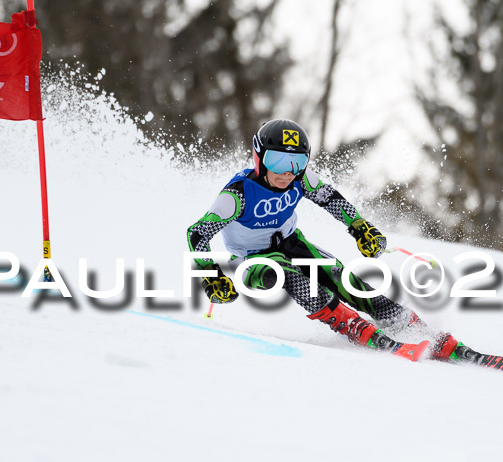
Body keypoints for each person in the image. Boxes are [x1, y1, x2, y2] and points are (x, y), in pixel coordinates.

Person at [187, 119, 477, 362]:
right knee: (285, 273)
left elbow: (331, 200)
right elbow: (197, 234)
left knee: (340, 277)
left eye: (297, 161)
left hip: (291, 243)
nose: (287, 171)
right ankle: (351, 324)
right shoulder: (237, 195)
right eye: (278, 160)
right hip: (250, 260)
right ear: (258, 157)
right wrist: (209, 274)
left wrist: (361, 228)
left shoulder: (299, 179)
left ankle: (412, 327)